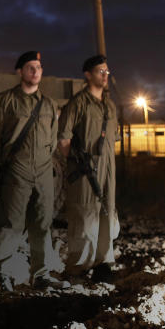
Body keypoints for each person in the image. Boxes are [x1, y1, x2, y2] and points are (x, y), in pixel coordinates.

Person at [0, 51, 67, 291]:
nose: (36, 71)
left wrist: (45, 163)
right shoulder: (4, 100)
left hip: (43, 172)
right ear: (20, 71)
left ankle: (41, 274)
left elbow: (52, 137)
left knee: (42, 223)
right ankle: (3, 273)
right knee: (11, 224)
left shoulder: (48, 104)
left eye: (39, 66)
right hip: (15, 171)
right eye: (30, 67)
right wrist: (3, 164)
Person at [57, 54, 119, 281]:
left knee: (107, 211)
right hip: (85, 169)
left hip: (107, 169)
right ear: (88, 75)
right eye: (100, 72)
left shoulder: (109, 106)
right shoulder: (77, 103)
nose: (105, 76)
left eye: (107, 72)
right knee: (84, 215)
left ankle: (103, 263)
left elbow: (114, 139)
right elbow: (63, 140)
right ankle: (79, 266)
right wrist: (76, 164)